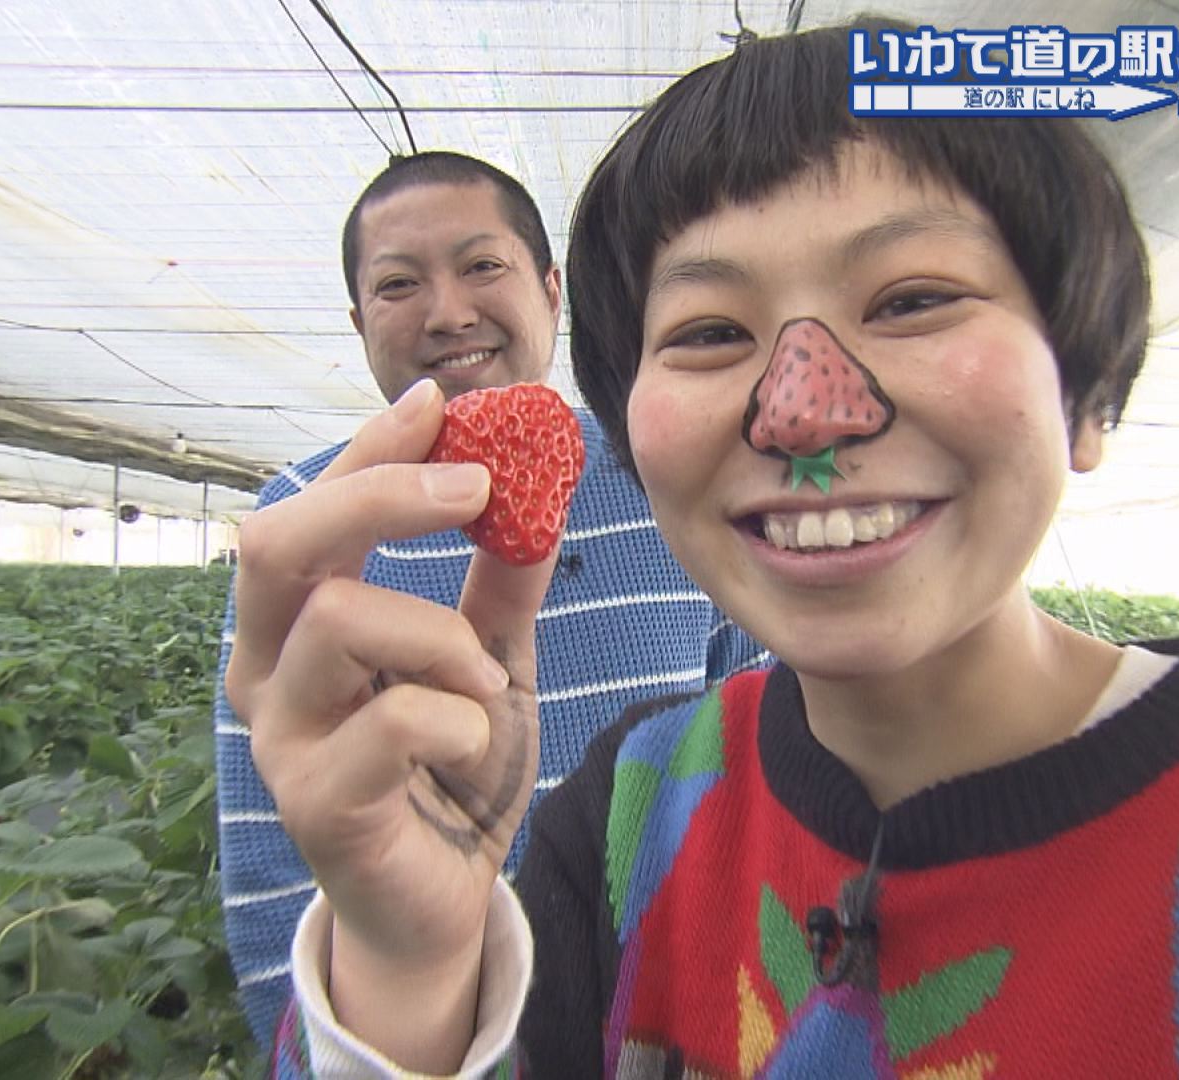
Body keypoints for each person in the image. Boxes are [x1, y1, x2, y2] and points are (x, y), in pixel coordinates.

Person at [242, 20, 1179, 1079]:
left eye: (913, 296)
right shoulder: (625, 820)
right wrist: (405, 961)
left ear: (1085, 390)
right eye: (710, 333)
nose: (805, 409)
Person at [213, 151, 766, 1047]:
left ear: (552, 292)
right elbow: (273, 863)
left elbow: (765, 765)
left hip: (685, 1024)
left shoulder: (668, 474)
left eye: (482, 266)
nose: (448, 311)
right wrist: (360, 1041)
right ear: (359, 323)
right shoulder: (302, 527)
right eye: (398, 285)